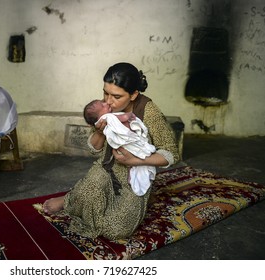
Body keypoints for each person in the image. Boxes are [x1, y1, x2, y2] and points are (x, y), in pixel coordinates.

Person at [43, 62, 180, 240]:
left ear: (134, 95)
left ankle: (135, 198)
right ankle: (69, 199)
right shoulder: (105, 108)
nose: (108, 101)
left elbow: (171, 154)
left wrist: (134, 161)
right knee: (87, 195)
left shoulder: (149, 112)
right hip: (106, 167)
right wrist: (99, 132)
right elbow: (94, 149)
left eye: (116, 96)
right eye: (105, 93)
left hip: (133, 175)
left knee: (115, 230)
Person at [83, 99, 157, 196]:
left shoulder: (147, 110)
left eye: (118, 96)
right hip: (122, 147)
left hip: (127, 148)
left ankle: (132, 173)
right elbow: (93, 148)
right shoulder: (106, 118)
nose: (107, 102)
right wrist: (128, 115)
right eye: (103, 104)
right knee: (90, 190)